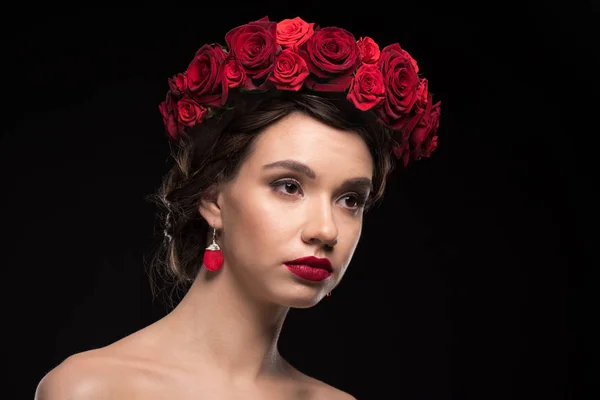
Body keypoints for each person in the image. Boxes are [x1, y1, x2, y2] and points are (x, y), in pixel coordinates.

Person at [35, 16, 441, 399]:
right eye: (288, 186)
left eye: (350, 200)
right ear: (213, 198)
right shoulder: (92, 389)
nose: (326, 229)